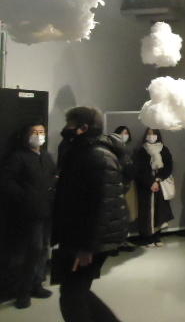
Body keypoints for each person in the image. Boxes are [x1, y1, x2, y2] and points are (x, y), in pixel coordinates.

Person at [52, 107, 128, 322]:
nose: (65, 129)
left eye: (70, 125)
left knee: (72, 295)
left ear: (83, 128)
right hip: (79, 235)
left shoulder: (96, 156)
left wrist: (87, 247)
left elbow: (102, 204)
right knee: (76, 291)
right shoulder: (80, 150)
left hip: (89, 240)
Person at [0, 122, 57, 309]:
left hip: (47, 210)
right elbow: (7, 182)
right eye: (35, 132)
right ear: (26, 135)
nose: (39, 135)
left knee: (43, 249)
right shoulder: (18, 157)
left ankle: (37, 284)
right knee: (31, 251)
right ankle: (22, 292)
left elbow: (53, 176)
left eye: (42, 132)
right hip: (29, 212)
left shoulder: (46, 156)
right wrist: (26, 197)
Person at [133, 128, 174, 247]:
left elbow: (169, 166)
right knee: (146, 211)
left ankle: (157, 235)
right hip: (146, 186)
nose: (151, 136)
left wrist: (158, 179)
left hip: (160, 183)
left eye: (154, 134)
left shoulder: (164, 149)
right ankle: (147, 237)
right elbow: (139, 170)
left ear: (158, 135)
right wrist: (150, 182)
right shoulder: (141, 150)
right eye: (149, 134)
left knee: (160, 209)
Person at [109, 126, 137, 252]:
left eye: (126, 133)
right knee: (115, 216)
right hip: (116, 186)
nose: (124, 135)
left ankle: (122, 241)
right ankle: (114, 244)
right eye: (121, 133)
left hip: (127, 185)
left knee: (125, 215)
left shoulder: (128, 151)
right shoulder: (113, 151)